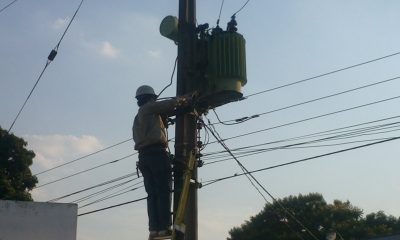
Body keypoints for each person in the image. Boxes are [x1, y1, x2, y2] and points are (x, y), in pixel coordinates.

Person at [132, 85, 190, 240]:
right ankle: (165, 227)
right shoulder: (149, 108)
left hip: (144, 157)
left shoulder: (139, 117)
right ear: (151, 98)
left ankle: (154, 229)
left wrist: (163, 119)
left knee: (152, 194)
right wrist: (185, 99)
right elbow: (169, 104)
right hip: (156, 154)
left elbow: (159, 116)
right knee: (163, 191)